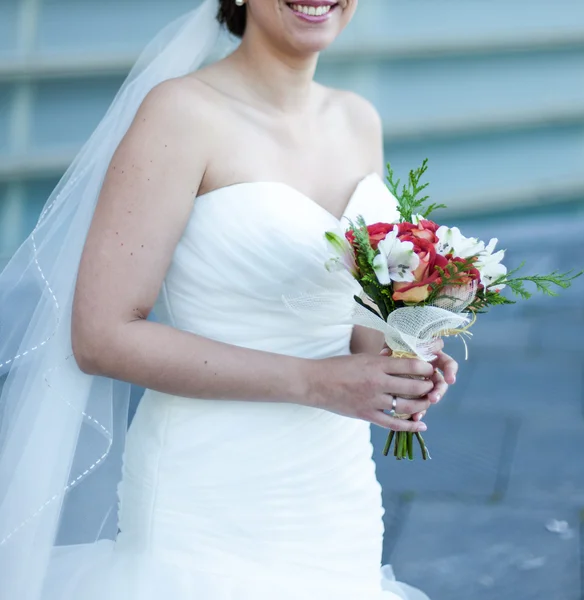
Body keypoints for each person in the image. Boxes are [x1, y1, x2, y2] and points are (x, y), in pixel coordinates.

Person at [0, 1, 458, 598]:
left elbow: (356, 333)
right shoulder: (181, 113)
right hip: (205, 503)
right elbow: (101, 335)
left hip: (336, 497)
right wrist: (317, 383)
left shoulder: (358, 120)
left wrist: (410, 345)